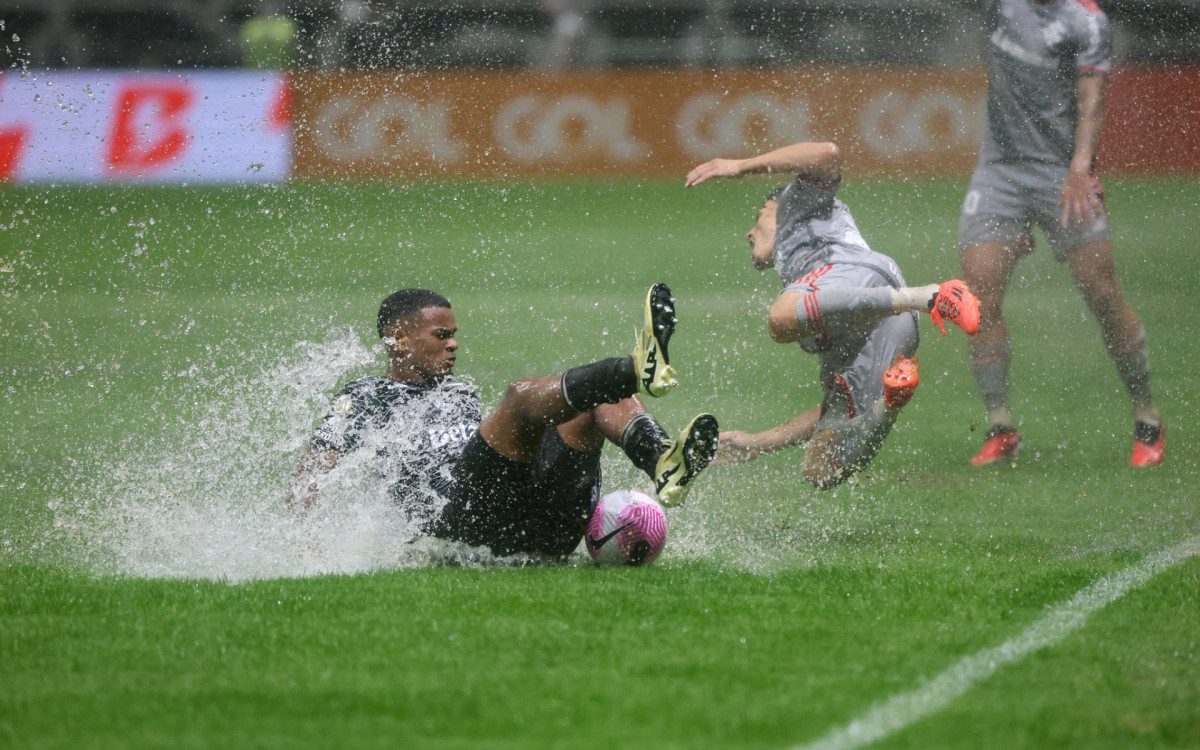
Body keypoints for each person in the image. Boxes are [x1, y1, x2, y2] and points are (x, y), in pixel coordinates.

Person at [290, 283, 718, 560]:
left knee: (593, 398)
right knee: (519, 395)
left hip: (532, 522)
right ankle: (633, 367)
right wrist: (310, 553)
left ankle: (661, 458)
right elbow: (311, 474)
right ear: (398, 340)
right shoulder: (363, 396)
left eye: (454, 333)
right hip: (458, 530)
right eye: (442, 336)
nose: (454, 344)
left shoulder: (458, 389)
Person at [685, 141, 980, 489]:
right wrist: (756, 443)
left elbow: (828, 153)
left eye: (759, 217)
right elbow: (826, 414)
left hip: (862, 279)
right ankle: (890, 403)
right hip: (882, 321)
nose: (750, 232)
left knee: (781, 320)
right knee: (822, 469)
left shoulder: (795, 206)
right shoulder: (803, 275)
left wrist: (741, 165)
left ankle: (929, 295)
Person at [959, 0, 1164, 467]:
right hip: (999, 172)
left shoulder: (1086, 20)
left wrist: (1081, 165)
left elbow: (1093, 98)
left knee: (1102, 291)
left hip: (1061, 173)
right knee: (979, 299)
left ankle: (1147, 418)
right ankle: (1001, 426)